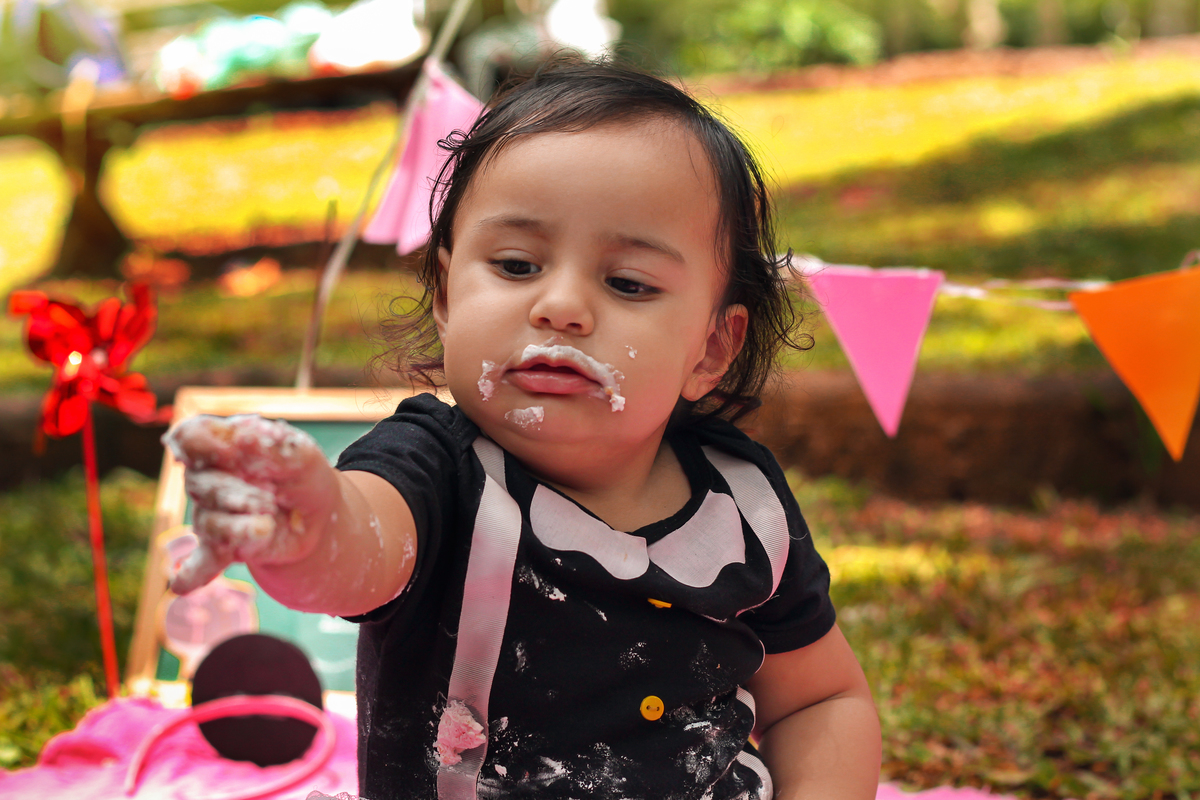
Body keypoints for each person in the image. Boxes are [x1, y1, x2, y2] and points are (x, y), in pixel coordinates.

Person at [164, 56, 881, 800]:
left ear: (710, 349)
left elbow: (821, 698)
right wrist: (311, 526)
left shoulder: (743, 505)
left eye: (628, 282)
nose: (562, 306)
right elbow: (363, 545)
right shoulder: (434, 468)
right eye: (514, 265)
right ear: (445, 295)